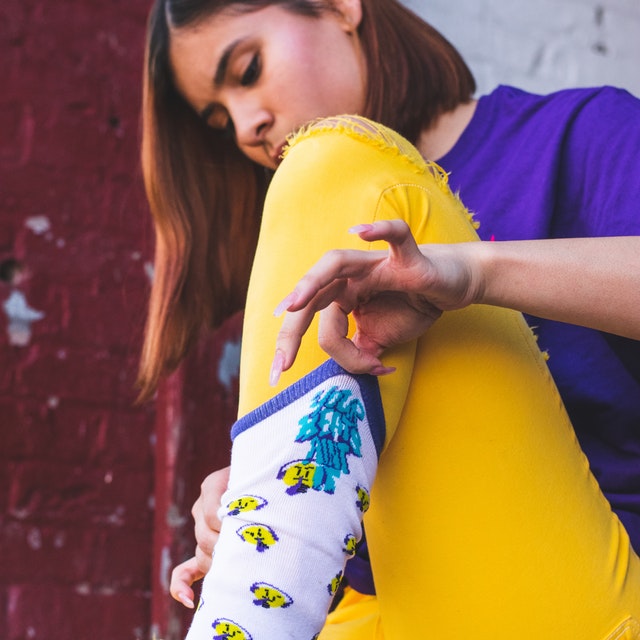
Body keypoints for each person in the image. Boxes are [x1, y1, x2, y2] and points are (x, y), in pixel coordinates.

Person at [137, 0, 640, 637]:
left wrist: (476, 274)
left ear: (339, 7)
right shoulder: (312, 243)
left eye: (248, 69)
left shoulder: (580, 135)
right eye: (218, 119)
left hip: (587, 605)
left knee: (329, 161)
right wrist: (246, 511)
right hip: (384, 612)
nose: (245, 126)